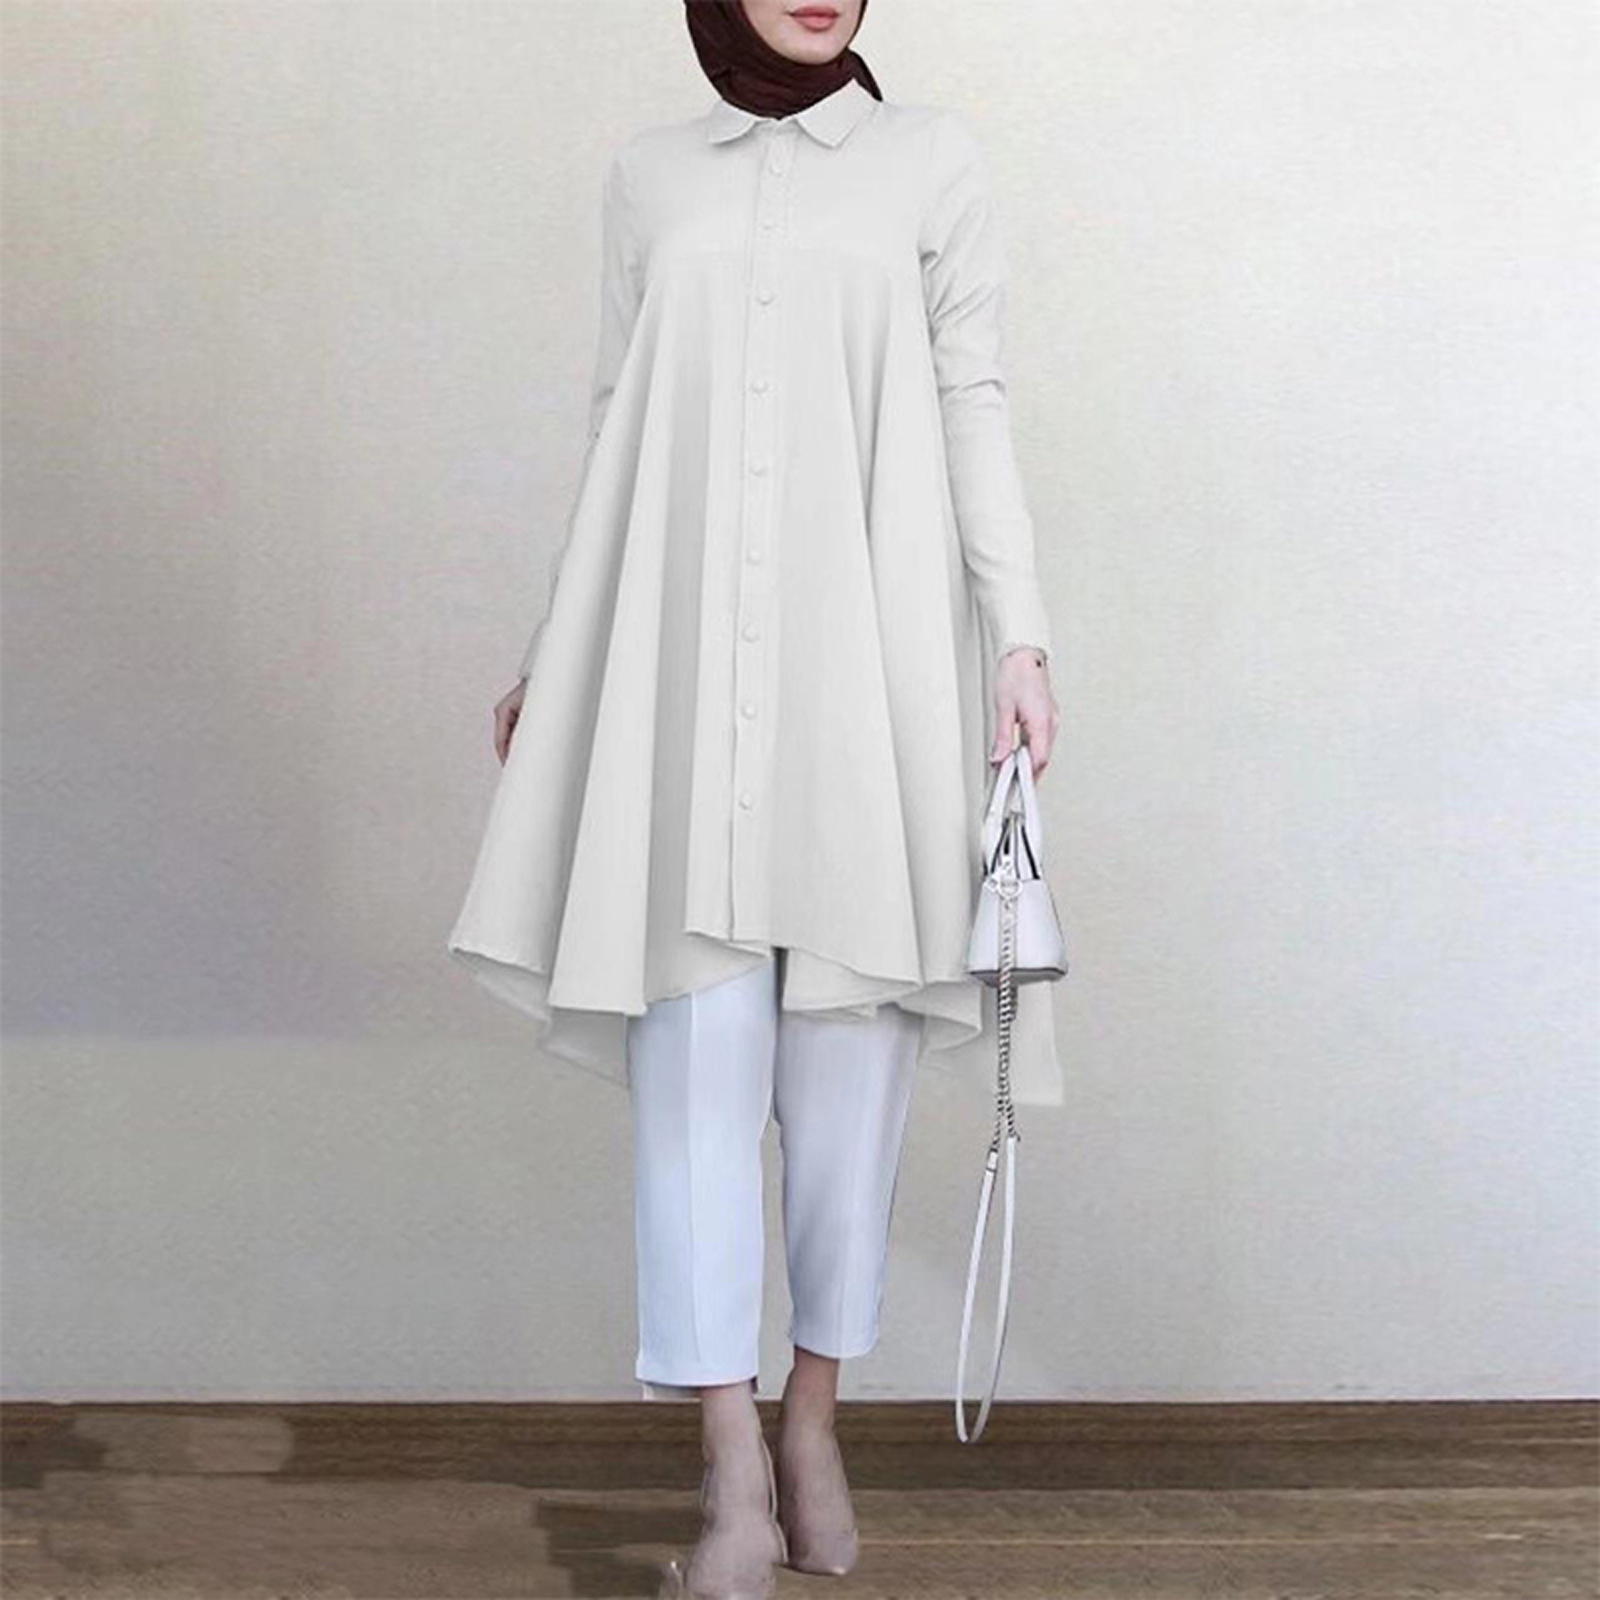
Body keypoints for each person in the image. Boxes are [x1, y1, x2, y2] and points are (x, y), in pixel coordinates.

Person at [446, 2, 1061, 1594]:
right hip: (679, 682)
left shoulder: (930, 161)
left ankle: (814, 1424)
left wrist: (1020, 637)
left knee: (849, 1078)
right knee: (696, 1073)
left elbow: (973, 398)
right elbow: (618, 421)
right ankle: (726, 1460)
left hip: (873, 674)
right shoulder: (652, 175)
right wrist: (556, 648)